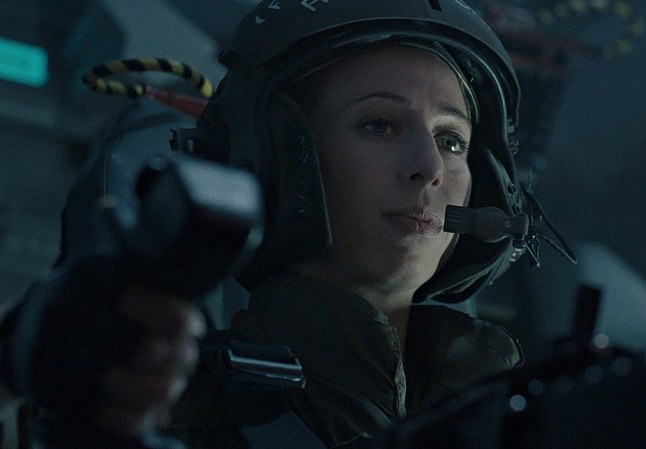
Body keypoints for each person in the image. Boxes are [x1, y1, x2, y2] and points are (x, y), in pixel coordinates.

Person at [1, 0, 566, 447]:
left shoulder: (530, 415)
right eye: (379, 125)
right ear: (278, 161)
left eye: (452, 140)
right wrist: (20, 364)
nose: (429, 167)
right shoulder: (159, 397)